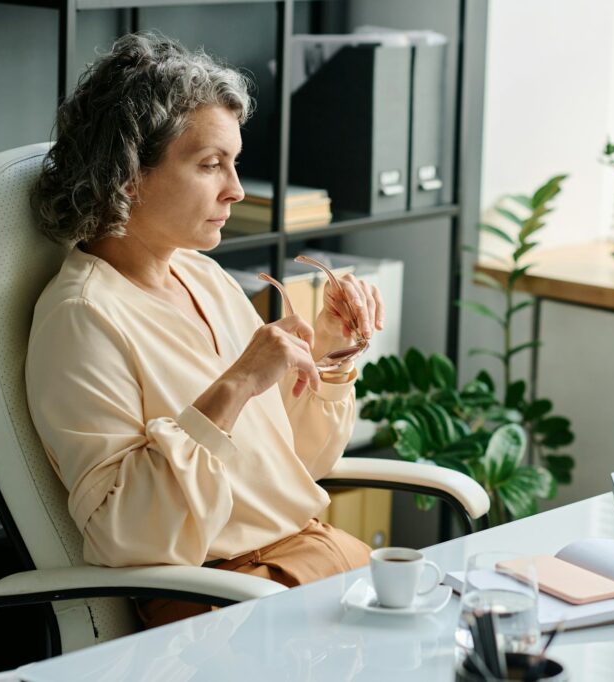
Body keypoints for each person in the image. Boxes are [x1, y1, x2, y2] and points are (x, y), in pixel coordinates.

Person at [26, 32, 385, 628]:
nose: (236, 190)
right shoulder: (83, 318)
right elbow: (128, 535)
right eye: (210, 164)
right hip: (229, 602)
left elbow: (296, 462)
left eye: (234, 162)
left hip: (315, 562)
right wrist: (238, 383)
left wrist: (327, 356)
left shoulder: (205, 278)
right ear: (127, 175)